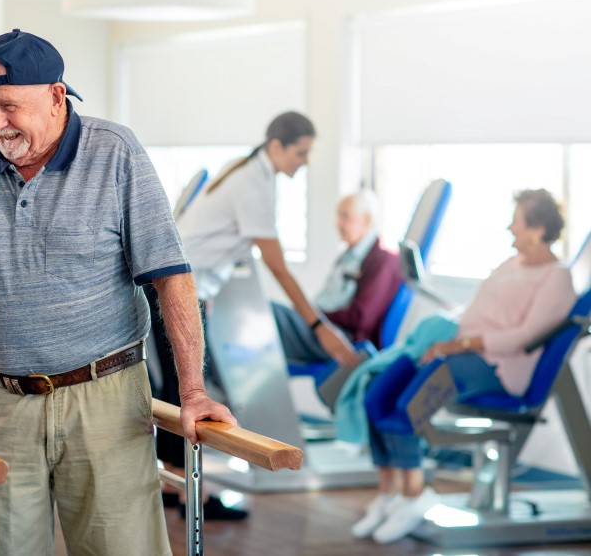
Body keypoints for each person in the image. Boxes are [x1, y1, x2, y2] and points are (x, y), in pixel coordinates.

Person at [0, 28, 235, 555]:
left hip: (106, 403)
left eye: (8, 106)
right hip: (3, 404)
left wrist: (193, 393)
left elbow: (172, 278)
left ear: (55, 96)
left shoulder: (115, 153)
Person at [349, 189, 575, 544]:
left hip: (499, 367)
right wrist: (438, 338)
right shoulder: (510, 263)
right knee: (378, 394)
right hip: (460, 352)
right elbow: (477, 313)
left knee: (410, 403)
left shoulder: (557, 277)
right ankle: (389, 493)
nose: (509, 228)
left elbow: (523, 336)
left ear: (538, 228)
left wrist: (460, 344)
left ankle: (415, 493)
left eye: (516, 221)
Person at [176, 112, 362, 370]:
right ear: (276, 146)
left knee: (190, 387)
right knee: (186, 392)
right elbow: (278, 268)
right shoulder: (253, 186)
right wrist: (320, 327)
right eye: (300, 153)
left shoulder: (251, 171)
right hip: (178, 289)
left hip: (188, 287)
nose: (305, 161)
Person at [271, 189, 403, 363]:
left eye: (345, 217)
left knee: (270, 313)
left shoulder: (383, 260)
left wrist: (314, 316)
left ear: (366, 220)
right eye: (338, 216)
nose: (337, 224)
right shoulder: (349, 256)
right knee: (268, 315)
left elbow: (360, 318)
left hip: (342, 337)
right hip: (322, 325)